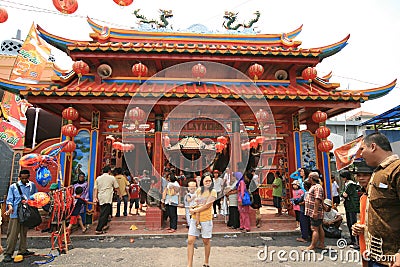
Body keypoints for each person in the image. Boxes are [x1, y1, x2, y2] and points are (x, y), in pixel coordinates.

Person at [358, 132, 400, 266]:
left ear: (373, 147)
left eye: (362, 149)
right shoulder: (378, 172)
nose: (360, 154)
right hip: (375, 254)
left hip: (392, 258)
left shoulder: (396, 170)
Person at [2, 169, 37, 263]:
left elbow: (35, 196)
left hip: (26, 213)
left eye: (26, 178)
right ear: (19, 177)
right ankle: (8, 253)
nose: (24, 180)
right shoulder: (13, 187)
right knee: (12, 234)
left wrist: (32, 201)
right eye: (23, 178)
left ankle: (22, 250)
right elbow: (9, 200)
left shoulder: (32, 185)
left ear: (29, 177)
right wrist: (10, 208)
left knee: (23, 233)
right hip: (15, 214)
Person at [187, 172, 217, 267]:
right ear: (202, 181)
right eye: (206, 180)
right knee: (190, 240)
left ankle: (206, 261)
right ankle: (189, 264)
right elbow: (194, 201)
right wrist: (192, 208)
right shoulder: (199, 190)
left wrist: (194, 209)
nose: (208, 182)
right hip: (195, 218)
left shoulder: (213, 192)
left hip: (206, 219)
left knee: (206, 241)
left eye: (210, 181)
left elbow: (207, 205)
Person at [351, 160, 374, 267]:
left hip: (377, 248)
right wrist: (356, 226)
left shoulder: (378, 197)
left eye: (365, 175)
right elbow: (362, 219)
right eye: (359, 175)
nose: (361, 178)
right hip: (364, 243)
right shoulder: (363, 197)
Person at [93, 166, 120, 235]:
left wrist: (95, 197)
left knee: (104, 211)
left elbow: (96, 188)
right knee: (104, 213)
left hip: (101, 197)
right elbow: (116, 187)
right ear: (109, 171)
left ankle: (104, 226)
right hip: (107, 197)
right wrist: (120, 194)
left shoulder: (98, 178)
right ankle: (98, 229)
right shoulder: (111, 178)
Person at [304, 171, 325, 251]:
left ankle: (312, 246)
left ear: (311, 178)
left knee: (314, 229)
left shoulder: (317, 187)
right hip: (314, 211)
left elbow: (317, 199)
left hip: (315, 211)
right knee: (319, 227)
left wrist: (315, 212)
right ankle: (321, 244)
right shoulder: (315, 186)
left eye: (309, 177)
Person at [339, 170, 360, 247]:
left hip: (352, 206)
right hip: (348, 205)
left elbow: (344, 194)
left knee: (353, 223)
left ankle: (357, 242)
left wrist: (342, 193)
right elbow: (343, 193)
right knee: (349, 223)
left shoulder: (350, 184)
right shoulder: (347, 184)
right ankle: (353, 240)